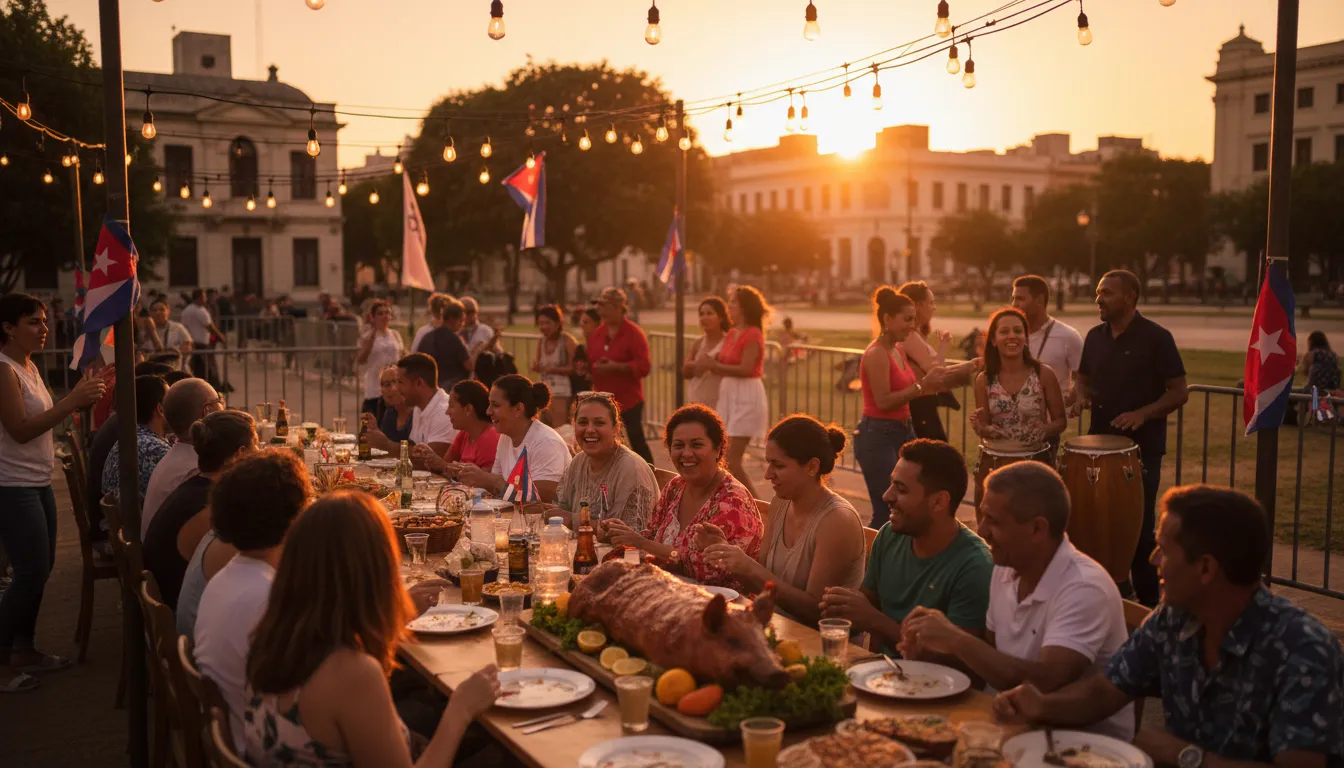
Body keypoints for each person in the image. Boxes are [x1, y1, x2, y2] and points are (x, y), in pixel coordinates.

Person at [995, 485, 1344, 766]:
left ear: (1205, 568)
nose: (1153, 559)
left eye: (1163, 549)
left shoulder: (1303, 650)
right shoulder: (1174, 619)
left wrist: (1187, 756)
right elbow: (1104, 691)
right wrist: (1042, 705)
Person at [243, 491, 500, 767]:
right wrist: (460, 709)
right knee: (500, 752)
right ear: (373, 572)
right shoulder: (353, 674)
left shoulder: (272, 637)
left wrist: (396, 615)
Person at [901, 462, 1133, 740]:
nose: (982, 530)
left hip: (1082, 745)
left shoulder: (1084, 587)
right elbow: (991, 656)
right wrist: (931, 649)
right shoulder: (1005, 566)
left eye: (993, 521)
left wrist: (956, 639)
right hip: (1012, 725)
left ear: (1037, 529)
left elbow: (1046, 681)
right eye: (982, 516)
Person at [0, 293, 106, 692]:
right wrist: (71, 402)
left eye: (44, 320)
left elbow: (43, 419)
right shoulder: (4, 370)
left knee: (40, 570)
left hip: (37, 479)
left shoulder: (28, 365)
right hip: (12, 484)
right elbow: (20, 429)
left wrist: (80, 402)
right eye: (33, 322)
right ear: (8, 328)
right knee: (28, 572)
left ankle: (24, 648)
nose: (44, 328)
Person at [820, 439, 992, 656]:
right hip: (879, 671)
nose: (887, 496)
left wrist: (875, 621)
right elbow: (865, 607)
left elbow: (959, 660)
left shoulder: (974, 566)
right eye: (891, 484)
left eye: (901, 489)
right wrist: (839, 606)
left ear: (939, 502)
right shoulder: (890, 535)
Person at [1078, 270, 1188, 606]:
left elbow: (1179, 391)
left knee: (1138, 530)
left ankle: (1150, 605)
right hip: (1096, 449)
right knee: (1097, 527)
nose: (1099, 298)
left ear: (1130, 297)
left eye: (1107, 293)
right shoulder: (1094, 337)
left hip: (1141, 451)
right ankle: (1105, 598)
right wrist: (1079, 396)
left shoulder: (1157, 338)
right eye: (1099, 292)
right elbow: (1082, 380)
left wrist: (1143, 413)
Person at [194, 449, 312, 750]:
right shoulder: (268, 599)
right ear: (294, 519)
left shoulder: (225, 580)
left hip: (238, 733)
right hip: (258, 749)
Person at [698, 415, 865, 626]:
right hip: (779, 630)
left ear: (812, 467)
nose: (768, 475)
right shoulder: (780, 503)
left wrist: (750, 567)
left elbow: (816, 612)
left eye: (778, 465)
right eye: (768, 463)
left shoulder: (837, 521)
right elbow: (760, 584)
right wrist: (726, 554)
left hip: (820, 641)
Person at [603, 404, 763, 590]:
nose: (686, 454)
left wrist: (641, 543)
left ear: (718, 449)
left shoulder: (733, 501)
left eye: (697, 445)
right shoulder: (676, 486)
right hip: (666, 589)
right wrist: (621, 534)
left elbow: (710, 570)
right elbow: (653, 535)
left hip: (718, 599)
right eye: (678, 445)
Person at [143, 409, 256, 610]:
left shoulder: (194, 488)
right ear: (240, 454)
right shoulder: (210, 510)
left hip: (175, 602)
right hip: (184, 615)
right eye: (256, 445)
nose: (261, 453)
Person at [854, 288, 946, 527]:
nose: (912, 326)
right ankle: (871, 551)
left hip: (904, 431)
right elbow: (884, 401)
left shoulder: (897, 349)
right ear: (887, 319)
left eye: (914, 319)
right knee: (887, 511)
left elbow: (916, 385)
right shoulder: (877, 353)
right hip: (878, 435)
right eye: (907, 319)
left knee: (909, 507)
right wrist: (922, 386)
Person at [697, 286, 769, 498]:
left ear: (744, 307)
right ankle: (733, 500)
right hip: (729, 395)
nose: (729, 306)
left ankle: (755, 504)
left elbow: (747, 368)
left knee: (732, 459)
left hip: (746, 394)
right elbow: (719, 359)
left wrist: (714, 366)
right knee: (723, 456)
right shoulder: (732, 333)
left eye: (733, 302)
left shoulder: (753, 333)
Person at [453, 375, 571, 503]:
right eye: (489, 404)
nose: (488, 411)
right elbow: (497, 491)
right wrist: (473, 476)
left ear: (518, 409)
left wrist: (492, 481)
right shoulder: (505, 437)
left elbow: (540, 501)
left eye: (495, 405)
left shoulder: (546, 442)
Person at [553, 392, 658, 531]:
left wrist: (572, 520)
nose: (590, 429)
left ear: (616, 428)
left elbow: (629, 533)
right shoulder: (579, 461)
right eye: (583, 422)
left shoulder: (630, 468)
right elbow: (561, 509)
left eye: (599, 423)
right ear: (574, 425)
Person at [971, 307, 1067, 449]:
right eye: (1004, 332)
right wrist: (982, 428)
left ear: (1026, 339)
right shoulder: (984, 380)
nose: (1012, 336)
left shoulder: (1044, 374)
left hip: (1036, 457)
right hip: (998, 458)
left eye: (1017, 331)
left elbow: (1060, 421)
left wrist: (1044, 430)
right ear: (993, 340)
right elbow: (984, 425)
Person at [897, 281, 981, 441]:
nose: (934, 307)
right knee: (938, 452)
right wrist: (943, 346)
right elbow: (935, 371)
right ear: (918, 306)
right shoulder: (910, 336)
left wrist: (970, 365)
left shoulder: (917, 334)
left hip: (924, 404)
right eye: (931, 303)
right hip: (919, 406)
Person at [141, 378, 224, 538]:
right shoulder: (196, 471)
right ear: (207, 411)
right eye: (218, 401)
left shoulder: (177, 456)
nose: (223, 406)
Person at [588, 287, 654, 463]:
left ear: (619, 308)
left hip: (629, 400)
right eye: (599, 305)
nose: (600, 310)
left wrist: (617, 367)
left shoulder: (634, 333)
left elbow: (644, 366)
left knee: (636, 441)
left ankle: (651, 475)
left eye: (605, 305)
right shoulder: (598, 333)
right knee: (605, 443)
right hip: (603, 401)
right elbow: (590, 360)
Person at [1011, 275, 1084, 416]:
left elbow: (1083, 377)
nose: (1014, 304)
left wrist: (1068, 400)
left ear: (1039, 300)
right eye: (1013, 298)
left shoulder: (1068, 336)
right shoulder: (1011, 335)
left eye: (1020, 299)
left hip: (1050, 424)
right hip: (1013, 423)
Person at [361, 354, 455, 464]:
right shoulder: (419, 407)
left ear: (419, 383)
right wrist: (377, 434)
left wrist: (387, 445)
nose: (396, 388)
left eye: (400, 382)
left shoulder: (444, 412)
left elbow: (431, 462)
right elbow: (413, 448)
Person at [101, 374, 172, 501]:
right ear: (160, 409)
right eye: (172, 402)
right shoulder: (154, 450)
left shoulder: (131, 439)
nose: (177, 408)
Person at [412, 379, 499, 474]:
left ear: (468, 409)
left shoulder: (491, 438)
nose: (447, 412)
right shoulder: (464, 434)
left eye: (451, 406)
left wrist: (443, 465)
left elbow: (481, 480)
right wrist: (431, 458)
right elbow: (445, 467)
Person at [357, 300, 404, 420]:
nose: (385, 316)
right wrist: (373, 331)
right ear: (373, 317)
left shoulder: (395, 334)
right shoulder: (367, 336)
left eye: (387, 313)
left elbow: (402, 355)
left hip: (394, 387)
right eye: (380, 313)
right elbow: (361, 358)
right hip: (374, 387)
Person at [531, 305, 577, 427]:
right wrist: (536, 367)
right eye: (541, 323)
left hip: (561, 391)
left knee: (559, 428)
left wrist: (553, 369)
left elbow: (575, 368)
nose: (543, 327)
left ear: (558, 323)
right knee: (542, 427)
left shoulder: (567, 340)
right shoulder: (541, 341)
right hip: (544, 390)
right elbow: (539, 364)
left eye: (547, 323)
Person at [417, 297, 472, 391]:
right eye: (461, 321)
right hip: (451, 389)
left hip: (428, 387)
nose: (462, 324)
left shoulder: (427, 337)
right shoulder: (454, 339)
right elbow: (469, 366)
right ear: (451, 319)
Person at [683, 297, 729, 409]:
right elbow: (685, 371)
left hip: (718, 403)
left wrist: (713, 365)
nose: (704, 318)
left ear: (721, 318)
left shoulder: (728, 342)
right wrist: (698, 365)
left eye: (709, 313)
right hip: (696, 402)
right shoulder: (698, 343)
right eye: (701, 314)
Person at [182, 288, 226, 386]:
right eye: (204, 297)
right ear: (200, 298)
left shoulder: (186, 310)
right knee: (206, 370)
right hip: (201, 344)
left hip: (191, 343)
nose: (206, 299)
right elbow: (210, 327)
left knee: (195, 369)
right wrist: (221, 337)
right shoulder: (201, 311)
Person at [145, 297, 193, 369]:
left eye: (162, 309)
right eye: (154, 310)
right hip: (152, 370)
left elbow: (188, 347)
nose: (158, 313)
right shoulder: (144, 331)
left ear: (168, 311)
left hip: (175, 369)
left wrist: (174, 352)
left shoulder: (178, 328)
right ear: (150, 313)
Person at [374, 366, 415, 445]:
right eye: (386, 384)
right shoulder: (390, 413)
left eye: (395, 382)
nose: (391, 389)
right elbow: (382, 446)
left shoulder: (417, 413)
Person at [570, 306, 601, 396]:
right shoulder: (580, 349)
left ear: (597, 325)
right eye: (581, 322)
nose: (582, 325)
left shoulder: (602, 349)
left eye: (586, 322)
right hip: (578, 396)